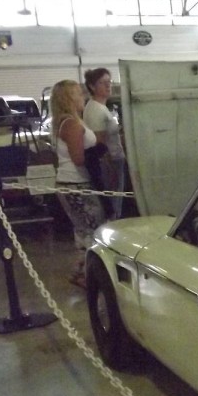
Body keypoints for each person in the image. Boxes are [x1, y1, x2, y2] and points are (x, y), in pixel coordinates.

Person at [50, 79, 107, 288]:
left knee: (83, 230)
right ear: (69, 98)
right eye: (78, 94)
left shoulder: (64, 121)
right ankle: (88, 274)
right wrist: (98, 151)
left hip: (69, 182)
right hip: (77, 183)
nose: (82, 97)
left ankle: (82, 270)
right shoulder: (72, 124)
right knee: (94, 228)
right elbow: (78, 158)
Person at [82, 67, 125, 215]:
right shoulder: (95, 109)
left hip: (114, 159)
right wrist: (110, 166)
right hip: (109, 161)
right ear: (92, 86)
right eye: (102, 83)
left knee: (116, 201)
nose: (108, 86)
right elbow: (99, 143)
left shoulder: (101, 107)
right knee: (113, 204)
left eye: (109, 81)